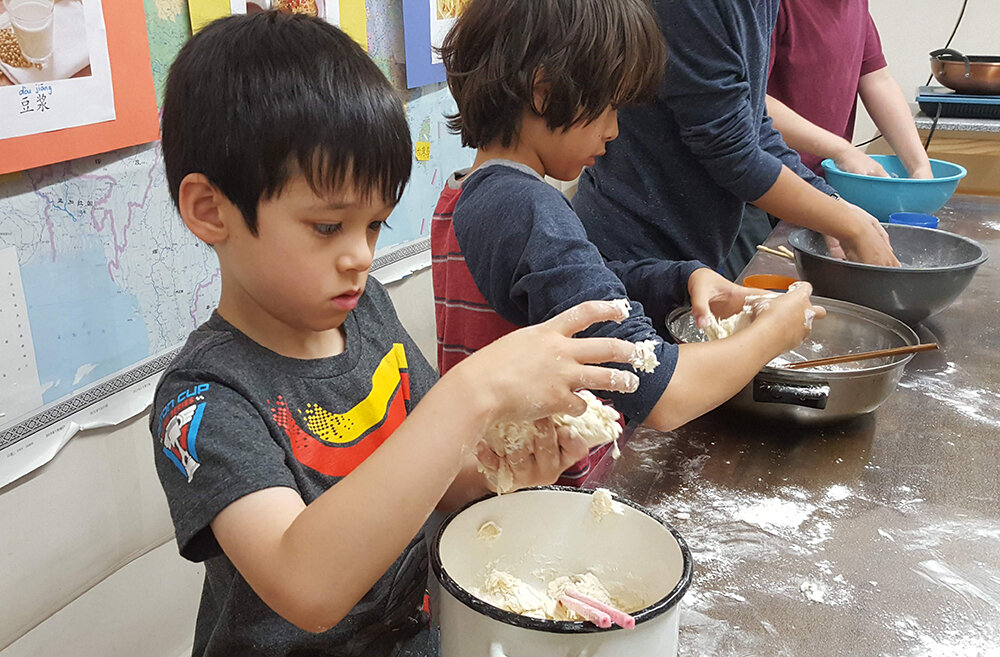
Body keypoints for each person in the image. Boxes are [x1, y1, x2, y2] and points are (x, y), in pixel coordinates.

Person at [152, 12, 645, 657]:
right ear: (211, 211)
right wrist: (473, 394)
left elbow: (436, 477)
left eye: (375, 224)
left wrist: (503, 469)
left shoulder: (365, 312)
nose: (360, 255)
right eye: (328, 227)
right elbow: (308, 585)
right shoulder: (205, 401)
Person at [432, 0, 826, 453]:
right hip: (530, 491)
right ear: (544, 92)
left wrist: (683, 278)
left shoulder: (471, 192)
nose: (614, 130)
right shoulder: (526, 207)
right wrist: (773, 334)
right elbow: (661, 392)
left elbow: (571, 289)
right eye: (608, 106)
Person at [571, 0, 900, 281]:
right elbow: (729, 147)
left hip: (686, 256)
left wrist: (832, 204)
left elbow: (753, 125)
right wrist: (847, 225)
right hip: (631, 247)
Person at [766, 0, 932, 180]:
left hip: (821, 178)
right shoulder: (767, 7)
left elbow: (877, 79)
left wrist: (919, 167)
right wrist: (843, 151)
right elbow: (750, 102)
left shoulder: (856, 4)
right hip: (765, 179)